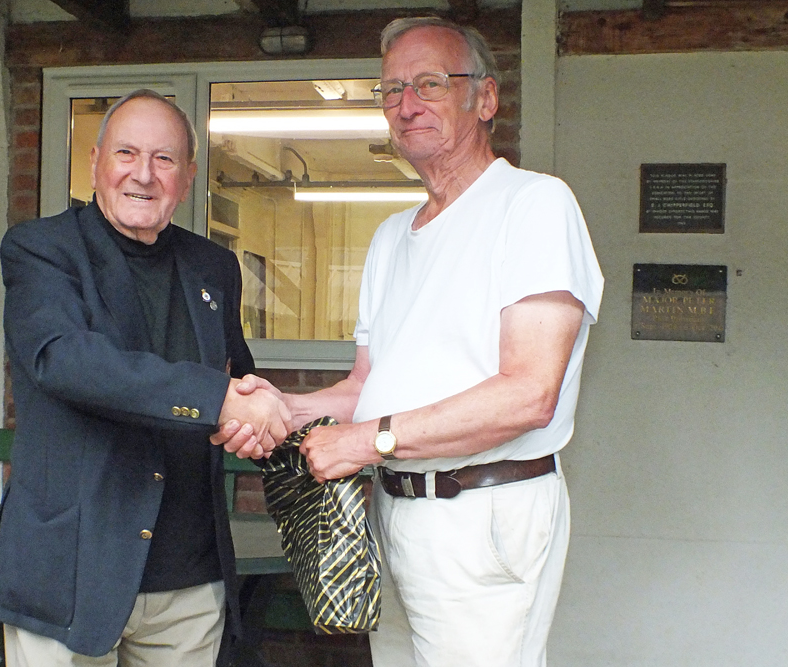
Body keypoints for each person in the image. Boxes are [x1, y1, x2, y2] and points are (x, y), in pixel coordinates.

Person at [216, 16, 604, 667]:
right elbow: (364, 388)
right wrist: (275, 405)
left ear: (485, 98)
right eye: (391, 89)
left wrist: (362, 442)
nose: (406, 103)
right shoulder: (393, 236)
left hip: (482, 510)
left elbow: (528, 395)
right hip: (394, 512)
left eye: (429, 82)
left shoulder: (533, 205)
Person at [0, 89, 289, 667]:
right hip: (70, 574)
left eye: (164, 159)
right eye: (126, 153)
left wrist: (256, 419)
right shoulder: (40, 249)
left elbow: (235, 378)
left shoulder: (214, 267)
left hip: (189, 579)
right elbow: (65, 360)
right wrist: (220, 398)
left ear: (189, 175)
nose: (142, 175)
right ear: (96, 160)